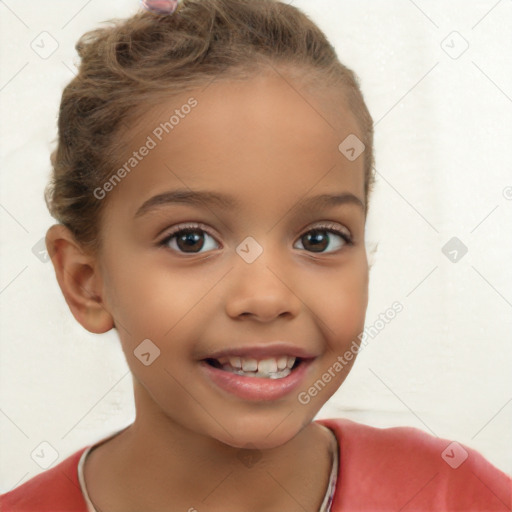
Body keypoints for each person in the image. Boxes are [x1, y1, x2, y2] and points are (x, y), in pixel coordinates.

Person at [1, 0, 510, 510]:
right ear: (85, 281)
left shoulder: (455, 495)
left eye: (319, 239)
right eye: (190, 240)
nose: (267, 298)